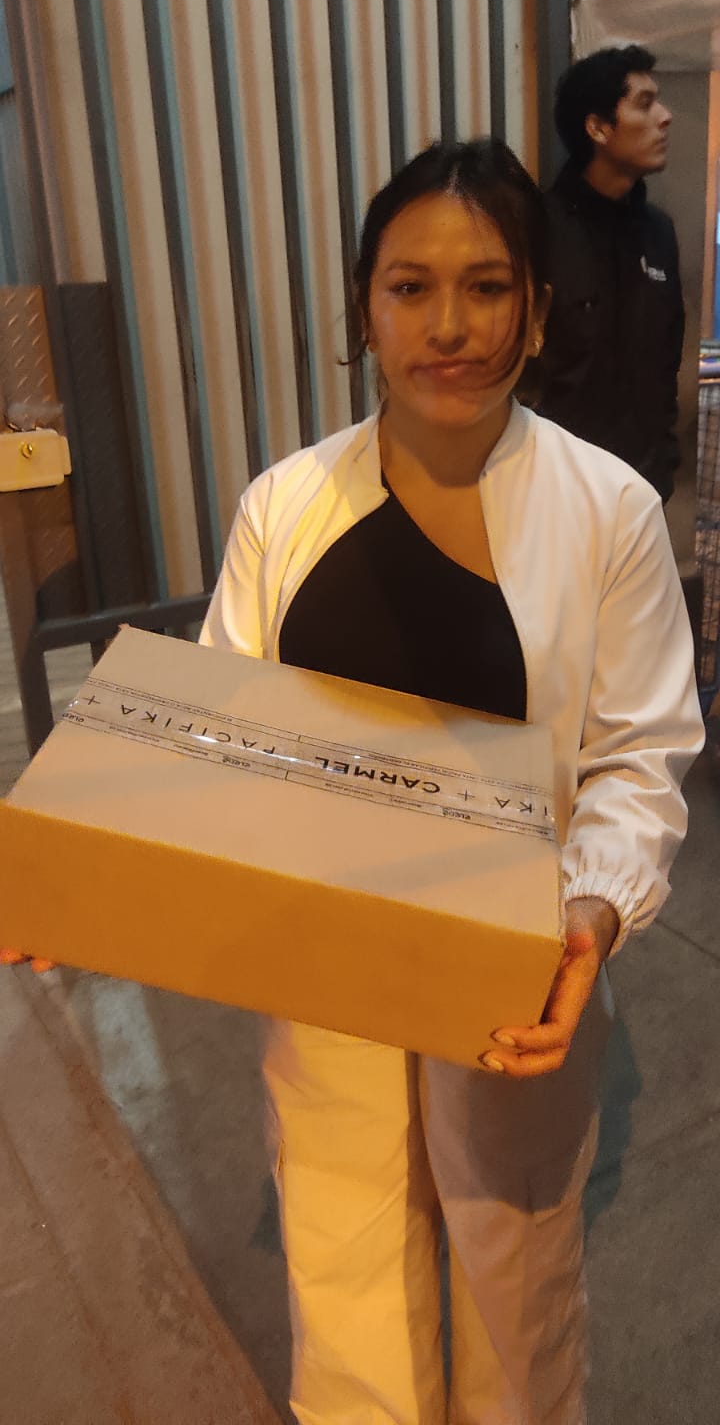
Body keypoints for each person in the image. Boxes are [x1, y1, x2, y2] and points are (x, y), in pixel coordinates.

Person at [201, 140, 704, 1421]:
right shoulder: (284, 508)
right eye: (409, 287)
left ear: (535, 309)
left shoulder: (607, 511)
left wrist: (593, 909)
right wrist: (95, 884)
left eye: (487, 286)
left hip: (512, 967)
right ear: (363, 307)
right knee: (347, 1282)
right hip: (325, 961)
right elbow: (212, 746)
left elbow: (639, 755)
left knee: (515, 1292)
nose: (449, 326)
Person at [522, 45, 684, 502]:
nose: (665, 116)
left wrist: (663, 468)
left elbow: (667, 364)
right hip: (556, 492)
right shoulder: (537, 229)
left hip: (641, 493)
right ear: (597, 128)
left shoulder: (658, 232)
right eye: (644, 103)